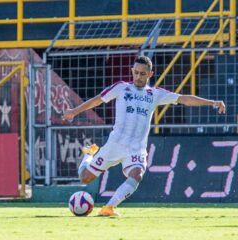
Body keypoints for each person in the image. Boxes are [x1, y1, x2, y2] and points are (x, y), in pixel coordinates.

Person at [62, 56, 226, 217]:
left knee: (137, 174)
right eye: (136, 72)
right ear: (132, 71)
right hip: (115, 144)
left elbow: (184, 99)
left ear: (150, 74)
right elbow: (97, 100)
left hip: (136, 148)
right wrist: (74, 112)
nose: (138, 77)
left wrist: (212, 102)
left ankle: (109, 207)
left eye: (142, 74)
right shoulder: (121, 88)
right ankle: (89, 154)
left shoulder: (155, 94)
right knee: (85, 178)